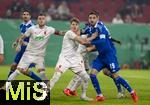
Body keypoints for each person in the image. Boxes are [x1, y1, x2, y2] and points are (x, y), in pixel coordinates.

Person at [84, 11, 138, 102]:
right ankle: (100, 95)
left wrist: (89, 42)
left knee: (116, 76)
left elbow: (102, 42)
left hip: (109, 55)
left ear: (97, 18)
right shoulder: (91, 28)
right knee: (92, 74)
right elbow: (83, 32)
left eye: (93, 18)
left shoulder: (101, 27)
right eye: (90, 18)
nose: (91, 19)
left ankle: (132, 92)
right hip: (101, 56)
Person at [6, 13, 63, 91]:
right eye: (39, 19)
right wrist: (19, 44)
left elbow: (59, 33)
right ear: (37, 20)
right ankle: (6, 87)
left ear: (45, 20)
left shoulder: (49, 29)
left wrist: (70, 34)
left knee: (42, 74)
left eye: (43, 19)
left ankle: (46, 88)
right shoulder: (32, 29)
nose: (41, 20)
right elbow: (22, 37)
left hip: (39, 56)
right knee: (17, 71)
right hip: (28, 54)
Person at [49, 18, 93, 101]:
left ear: (78, 26)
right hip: (64, 59)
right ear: (70, 25)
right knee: (56, 76)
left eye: (76, 25)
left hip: (74, 60)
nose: (74, 26)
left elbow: (84, 41)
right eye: (73, 24)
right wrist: (96, 40)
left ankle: (83, 96)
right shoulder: (69, 33)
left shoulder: (79, 35)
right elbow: (83, 42)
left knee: (86, 78)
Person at [8, 9, 42, 81]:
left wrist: (22, 44)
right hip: (22, 50)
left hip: (29, 51)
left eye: (27, 14)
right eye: (24, 14)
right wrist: (16, 42)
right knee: (13, 66)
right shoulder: (22, 25)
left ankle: (41, 81)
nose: (25, 16)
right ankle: (6, 84)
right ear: (22, 16)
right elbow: (22, 36)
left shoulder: (33, 27)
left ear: (30, 16)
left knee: (24, 71)